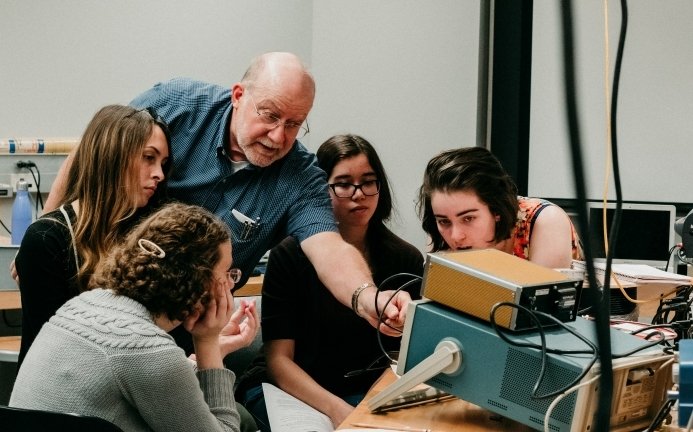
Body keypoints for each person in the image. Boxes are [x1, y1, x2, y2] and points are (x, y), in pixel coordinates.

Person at [43, 52, 409, 338]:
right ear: (238, 96)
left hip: (188, 327)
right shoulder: (177, 104)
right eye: (270, 115)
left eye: (295, 124)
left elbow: (328, 248)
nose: (278, 137)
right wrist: (48, 228)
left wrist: (367, 297)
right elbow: (96, 153)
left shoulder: (300, 177)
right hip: (107, 298)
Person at [238, 134, 424, 430]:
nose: (359, 193)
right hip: (294, 389)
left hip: (367, 392)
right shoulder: (290, 255)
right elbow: (279, 362)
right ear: (321, 190)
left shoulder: (406, 259)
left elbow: (408, 356)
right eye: (344, 183)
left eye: (368, 181)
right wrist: (339, 411)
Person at [10, 203, 242, 432]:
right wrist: (208, 343)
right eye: (227, 273)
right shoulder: (150, 351)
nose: (231, 283)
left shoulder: (81, 304)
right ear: (199, 280)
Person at [14, 104, 172, 367]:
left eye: (163, 163)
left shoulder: (145, 237)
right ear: (112, 157)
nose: (160, 174)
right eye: (148, 158)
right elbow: (57, 354)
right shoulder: (46, 239)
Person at [417, 147, 582, 268]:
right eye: (444, 221)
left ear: (496, 210)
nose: (456, 236)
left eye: (468, 218)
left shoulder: (544, 221)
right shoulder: (440, 235)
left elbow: (541, 311)